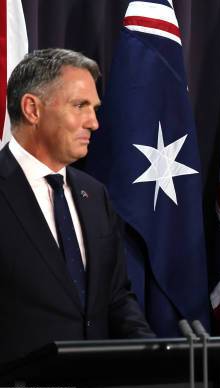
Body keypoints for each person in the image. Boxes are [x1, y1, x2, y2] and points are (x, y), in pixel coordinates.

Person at [0, 48, 154, 366]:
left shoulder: (94, 195)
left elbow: (115, 296)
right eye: (80, 105)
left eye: (94, 108)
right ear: (32, 109)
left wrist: (152, 358)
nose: (94, 123)